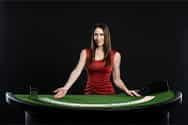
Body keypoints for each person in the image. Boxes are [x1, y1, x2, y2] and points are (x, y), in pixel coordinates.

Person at [53, 23, 140, 99]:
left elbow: (117, 79)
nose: (98, 38)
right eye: (96, 34)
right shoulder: (85, 52)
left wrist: (127, 90)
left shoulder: (116, 55)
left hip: (109, 96)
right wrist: (66, 88)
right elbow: (77, 71)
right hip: (89, 95)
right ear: (93, 36)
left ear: (106, 36)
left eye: (101, 35)